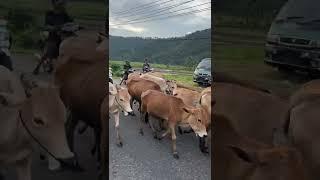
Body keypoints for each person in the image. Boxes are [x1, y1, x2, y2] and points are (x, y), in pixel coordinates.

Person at [33, 0, 73, 74]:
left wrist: (71, 27)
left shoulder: (65, 14)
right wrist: (53, 28)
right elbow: (46, 25)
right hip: (52, 36)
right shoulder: (49, 14)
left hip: (62, 36)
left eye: (62, 4)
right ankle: (38, 66)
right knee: (51, 48)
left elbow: (70, 23)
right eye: (60, 3)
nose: (62, 5)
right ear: (54, 4)